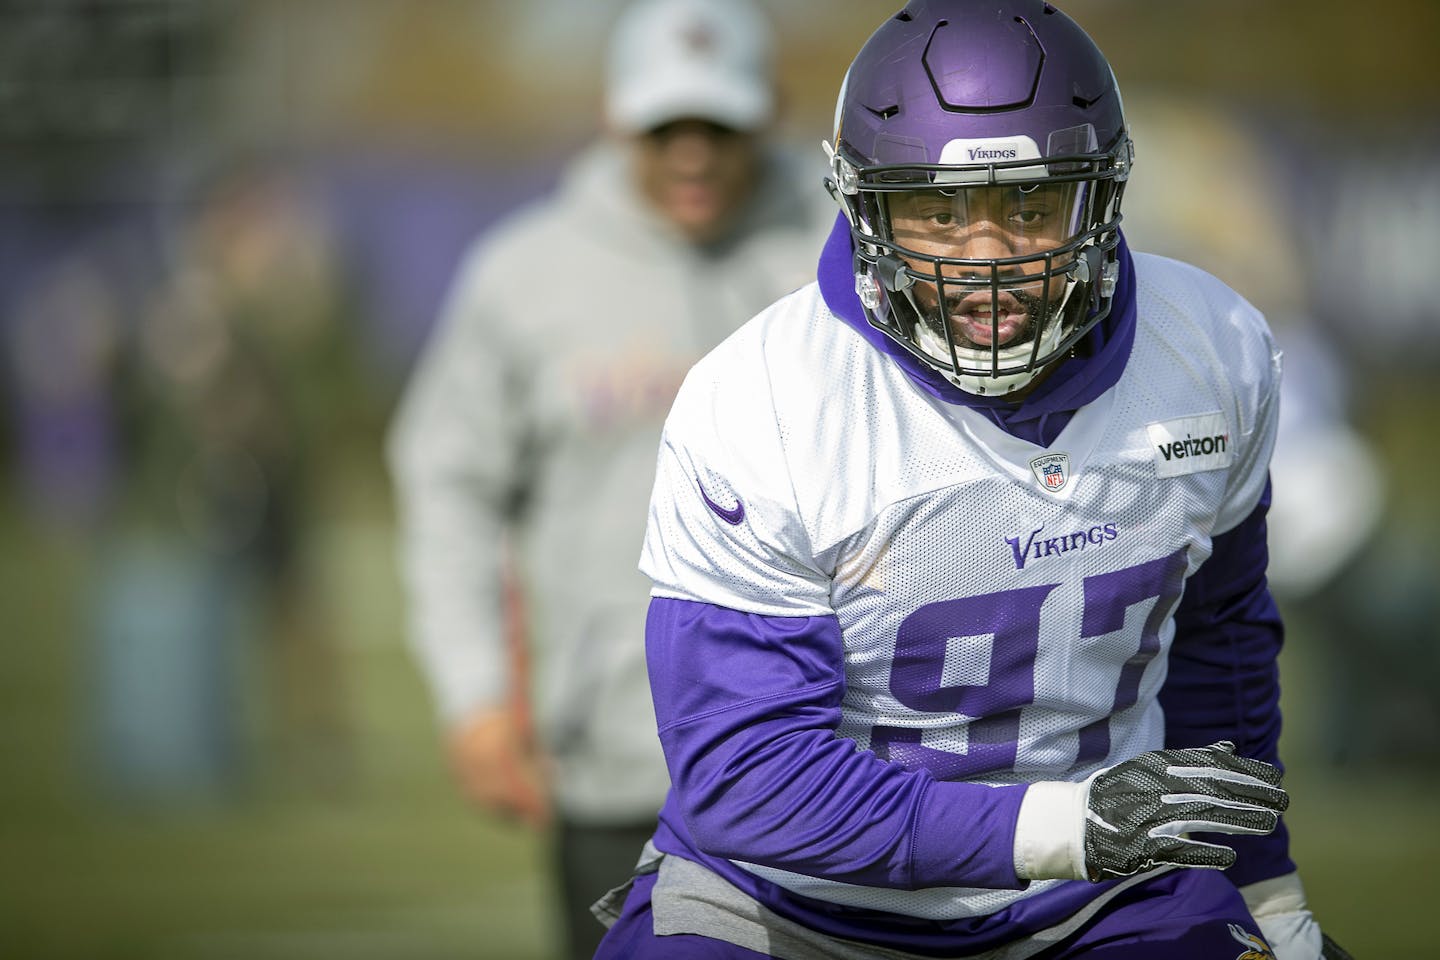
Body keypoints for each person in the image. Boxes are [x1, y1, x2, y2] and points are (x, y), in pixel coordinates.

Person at [594, 2, 1355, 958]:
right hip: (791, 904)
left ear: (1103, 195)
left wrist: (1270, 894)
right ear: (861, 203)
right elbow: (749, 777)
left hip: (1098, 902)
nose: (985, 255)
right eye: (937, 209)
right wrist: (1065, 830)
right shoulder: (768, 401)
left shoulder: (1211, 351)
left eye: (1031, 206)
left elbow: (1219, 648)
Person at [386, 0, 833, 956]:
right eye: (664, 125)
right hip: (614, 770)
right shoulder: (521, 276)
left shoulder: (843, 250)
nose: (692, 153)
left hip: (833, 755)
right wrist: (474, 701)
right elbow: (447, 489)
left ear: (772, 109)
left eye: (719, 124)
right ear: (613, 115)